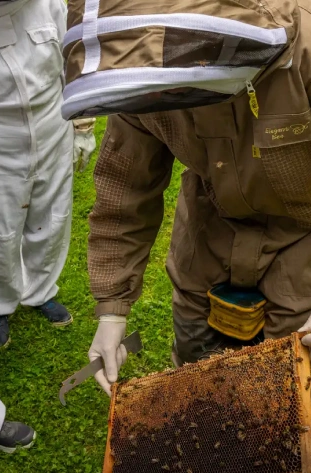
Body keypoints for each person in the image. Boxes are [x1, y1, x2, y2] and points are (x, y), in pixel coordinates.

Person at [63, 0, 311, 396]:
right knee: (196, 372)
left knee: (287, 389)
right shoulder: (141, 75)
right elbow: (125, 188)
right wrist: (112, 310)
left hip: (304, 240)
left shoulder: (303, 52)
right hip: (208, 231)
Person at [0, 0, 96, 349]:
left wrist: (83, 125)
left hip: (53, 126)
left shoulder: (48, 4)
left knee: (53, 217)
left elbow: (74, 63)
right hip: (0, 143)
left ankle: (40, 292)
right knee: (1, 229)